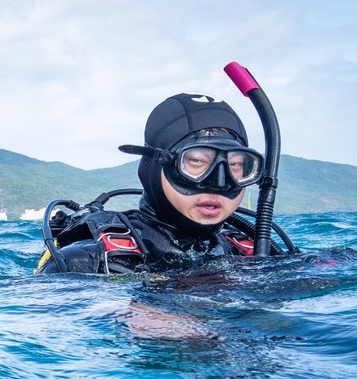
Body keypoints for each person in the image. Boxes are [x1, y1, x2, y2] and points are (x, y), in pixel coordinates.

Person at [38, 93, 268, 275]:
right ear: (154, 165)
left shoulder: (252, 250)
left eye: (236, 165)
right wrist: (116, 311)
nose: (218, 183)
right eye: (197, 161)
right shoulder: (82, 262)